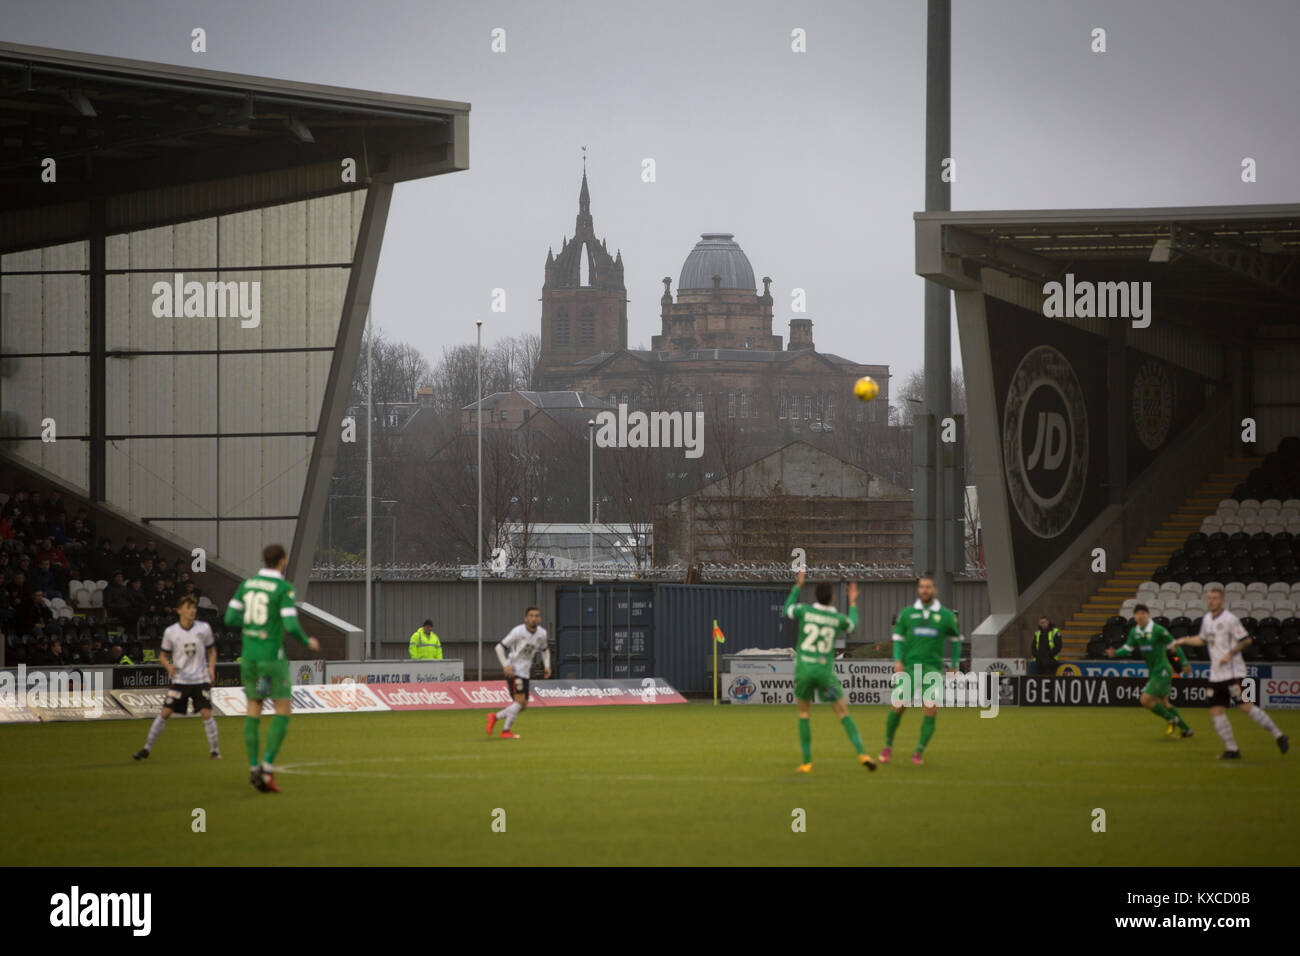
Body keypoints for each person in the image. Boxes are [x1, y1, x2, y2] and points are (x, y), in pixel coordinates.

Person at [224, 543, 319, 793]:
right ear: (283, 561)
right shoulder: (283, 588)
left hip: (250, 657)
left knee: (254, 706)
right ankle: (267, 767)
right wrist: (307, 641)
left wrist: (252, 626)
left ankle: (254, 766)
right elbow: (290, 623)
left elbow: (230, 619)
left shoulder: (247, 584)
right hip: (272, 658)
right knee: (282, 709)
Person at [1169, 585, 1289, 759]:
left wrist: (1230, 653)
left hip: (1234, 672)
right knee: (1216, 711)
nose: (1211, 601)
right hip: (1216, 674)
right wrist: (1182, 641)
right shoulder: (1207, 619)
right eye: (1209, 598)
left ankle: (1279, 735)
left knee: (1246, 707)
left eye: (1215, 598)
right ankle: (1232, 749)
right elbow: (1202, 640)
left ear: (1222, 600)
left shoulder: (1230, 619)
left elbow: (1246, 640)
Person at [784, 570, 875, 773]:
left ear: (815, 595)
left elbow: (787, 609)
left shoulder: (805, 611)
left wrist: (798, 585)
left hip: (804, 671)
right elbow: (853, 626)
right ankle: (862, 754)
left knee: (804, 713)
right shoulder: (836, 618)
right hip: (825, 673)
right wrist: (852, 602)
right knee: (843, 713)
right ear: (833, 597)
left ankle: (807, 762)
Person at [882, 574, 962, 765]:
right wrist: (898, 661)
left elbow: (956, 641)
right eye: (921, 587)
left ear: (935, 590)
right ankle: (887, 747)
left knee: (931, 709)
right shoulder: (907, 614)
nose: (924, 590)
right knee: (898, 707)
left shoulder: (946, 616)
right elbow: (898, 640)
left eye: (928, 587)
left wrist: (954, 665)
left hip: (932, 670)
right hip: (910, 668)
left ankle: (918, 753)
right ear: (919, 590)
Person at [134, 596, 219, 761]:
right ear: (179, 610)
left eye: (194, 607)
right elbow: (163, 655)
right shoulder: (171, 632)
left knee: (207, 714)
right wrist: (168, 666)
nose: (192, 610)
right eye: (188, 607)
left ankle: (215, 751)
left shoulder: (204, 628)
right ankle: (146, 748)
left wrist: (211, 668)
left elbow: (212, 650)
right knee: (164, 713)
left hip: (200, 679)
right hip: (180, 680)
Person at [1106, 603, 1193, 738]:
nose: (1140, 616)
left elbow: (1174, 645)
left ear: (1148, 615)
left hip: (1163, 670)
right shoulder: (1135, 632)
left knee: (1145, 700)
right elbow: (1128, 649)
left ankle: (1171, 719)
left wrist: (1184, 662)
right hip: (1154, 671)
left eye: (1143, 613)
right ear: (1134, 616)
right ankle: (1186, 729)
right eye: (1137, 613)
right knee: (1164, 703)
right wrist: (1115, 653)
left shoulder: (1157, 630)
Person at [486, 606, 549, 739]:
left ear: (540, 618)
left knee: (524, 705)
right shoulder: (518, 631)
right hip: (514, 670)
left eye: (537, 616)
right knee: (520, 702)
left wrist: (547, 666)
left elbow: (545, 650)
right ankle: (505, 731)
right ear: (526, 618)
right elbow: (499, 647)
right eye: (531, 616)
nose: (534, 618)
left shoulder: (542, 634)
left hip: (525, 672)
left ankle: (495, 717)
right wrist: (505, 665)